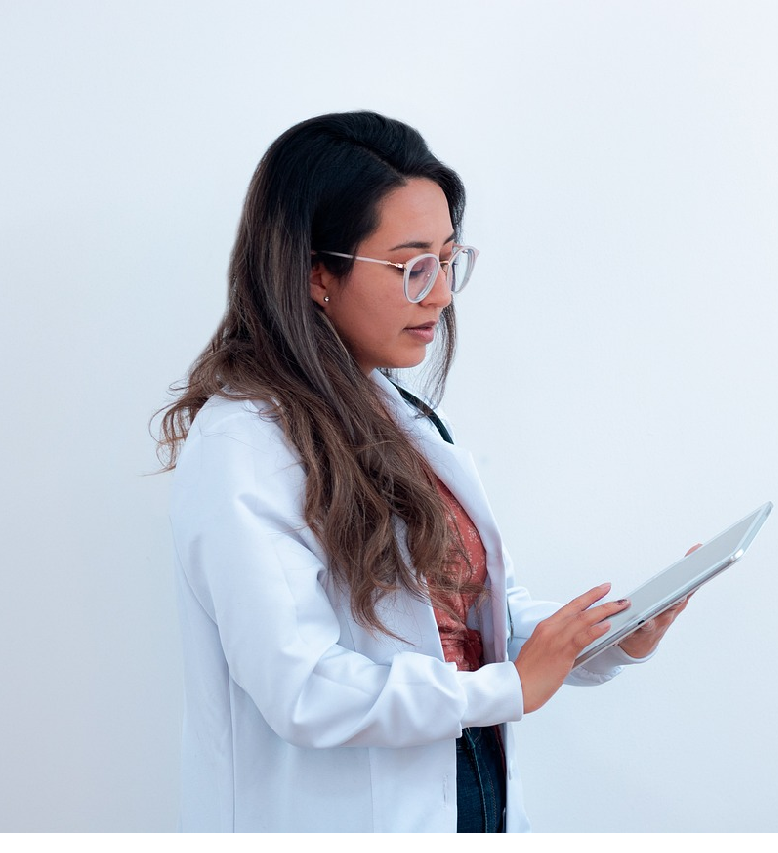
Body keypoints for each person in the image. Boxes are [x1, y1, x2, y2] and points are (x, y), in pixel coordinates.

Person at [157, 112, 688, 833]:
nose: (440, 294)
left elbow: (465, 625)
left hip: (467, 792)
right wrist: (503, 690)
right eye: (411, 266)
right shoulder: (243, 445)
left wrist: (601, 638)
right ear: (316, 273)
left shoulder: (397, 417)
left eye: (447, 259)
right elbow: (303, 687)